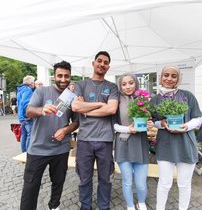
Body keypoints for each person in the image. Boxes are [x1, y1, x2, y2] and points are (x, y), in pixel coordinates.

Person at [20, 61, 79, 210]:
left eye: (66, 76)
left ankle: (54, 206)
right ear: (54, 76)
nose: (63, 79)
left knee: (58, 182)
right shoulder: (41, 91)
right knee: (30, 186)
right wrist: (41, 110)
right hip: (37, 149)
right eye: (60, 75)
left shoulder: (72, 97)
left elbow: (76, 122)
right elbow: (28, 111)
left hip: (61, 149)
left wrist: (65, 130)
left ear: (70, 76)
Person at [149, 66, 202, 210]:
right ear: (161, 77)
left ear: (178, 79)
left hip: (186, 144)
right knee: (164, 183)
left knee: (184, 184)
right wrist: (161, 123)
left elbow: (198, 117)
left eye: (173, 76)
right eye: (166, 75)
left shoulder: (187, 96)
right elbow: (152, 121)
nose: (169, 78)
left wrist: (187, 126)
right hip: (165, 145)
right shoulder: (155, 99)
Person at [72, 51, 119, 210]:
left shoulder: (112, 87)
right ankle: (86, 207)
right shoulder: (81, 85)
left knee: (105, 179)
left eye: (105, 62)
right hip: (84, 139)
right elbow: (76, 106)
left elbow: (112, 109)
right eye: (99, 61)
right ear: (93, 63)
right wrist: (100, 105)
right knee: (84, 178)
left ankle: (103, 207)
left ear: (108, 67)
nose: (102, 64)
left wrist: (86, 109)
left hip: (105, 140)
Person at [114, 73, 149, 210]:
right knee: (127, 181)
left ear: (136, 83)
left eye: (131, 83)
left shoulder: (144, 99)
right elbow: (113, 125)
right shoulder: (116, 100)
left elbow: (150, 119)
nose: (127, 86)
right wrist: (128, 129)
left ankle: (141, 202)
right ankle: (130, 206)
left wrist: (150, 123)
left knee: (141, 183)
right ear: (120, 86)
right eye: (124, 84)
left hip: (140, 144)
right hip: (123, 143)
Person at [17, 75, 35, 152]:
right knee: (30, 135)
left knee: (24, 135)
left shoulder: (20, 90)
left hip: (21, 117)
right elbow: (25, 103)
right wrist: (27, 115)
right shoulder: (28, 90)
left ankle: (23, 152)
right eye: (33, 82)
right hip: (26, 117)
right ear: (31, 83)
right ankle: (28, 153)